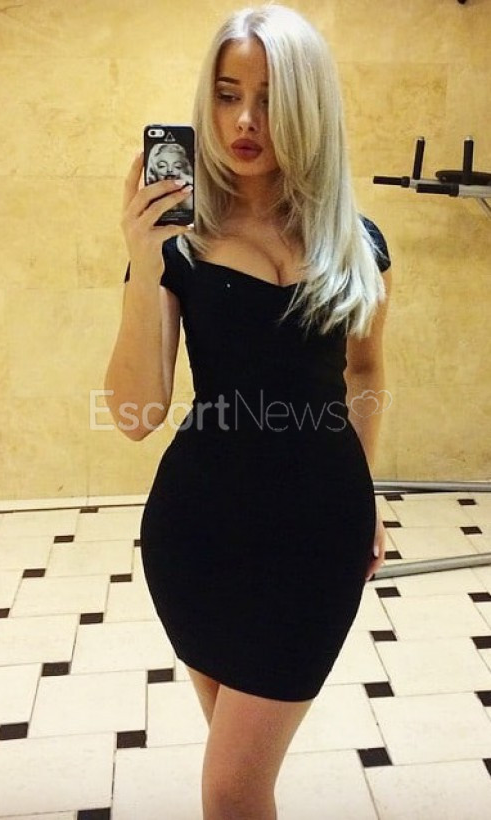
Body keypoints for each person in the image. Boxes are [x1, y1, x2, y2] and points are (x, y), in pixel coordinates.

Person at [105, 4, 392, 818]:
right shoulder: (179, 243)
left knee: (232, 785)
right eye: (228, 94)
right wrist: (142, 264)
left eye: (270, 98)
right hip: (197, 534)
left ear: (310, 106)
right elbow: (134, 413)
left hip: (318, 536)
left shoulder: (359, 243)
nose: (243, 120)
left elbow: (365, 370)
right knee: (240, 776)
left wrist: (366, 490)